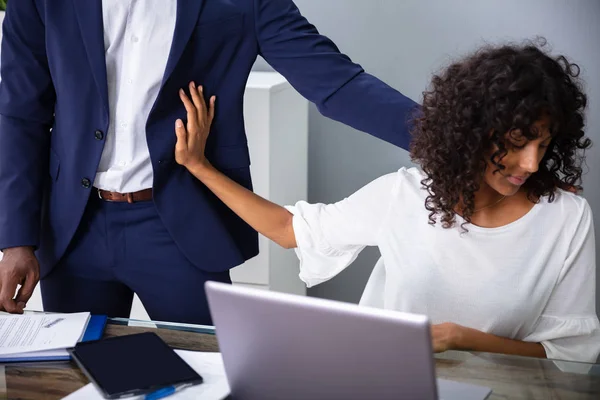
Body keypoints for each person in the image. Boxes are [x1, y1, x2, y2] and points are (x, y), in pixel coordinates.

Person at [174, 41, 600, 363]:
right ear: (476, 131)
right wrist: (199, 166)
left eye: (543, 146)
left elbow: (571, 354)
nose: (530, 162)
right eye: (516, 143)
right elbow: (290, 230)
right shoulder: (407, 194)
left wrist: (458, 337)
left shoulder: (566, 218)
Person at [0, 0, 417, 323]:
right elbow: (20, 112)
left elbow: (337, 83)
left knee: (210, 377)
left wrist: (449, 141)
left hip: (179, 224)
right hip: (73, 228)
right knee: (74, 381)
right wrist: (16, 238)